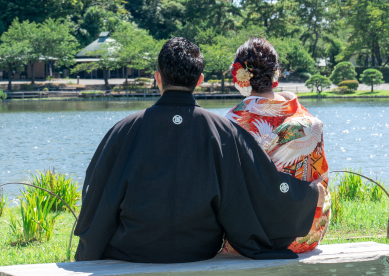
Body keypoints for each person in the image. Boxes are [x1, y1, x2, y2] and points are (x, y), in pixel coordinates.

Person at [74, 37, 326, 263]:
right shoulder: (223, 131)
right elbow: (260, 188)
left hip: (131, 250)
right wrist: (307, 194)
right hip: (199, 250)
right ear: (200, 81)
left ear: (157, 77)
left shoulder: (124, 130)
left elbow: (98, 195)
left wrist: (90, 248)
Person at [224, 37, 331, 255]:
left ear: (240, 76)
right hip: (307, 233)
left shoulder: (231, 123)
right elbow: (321, 183)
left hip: (253, 237)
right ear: (276, 73)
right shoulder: (310, 122)